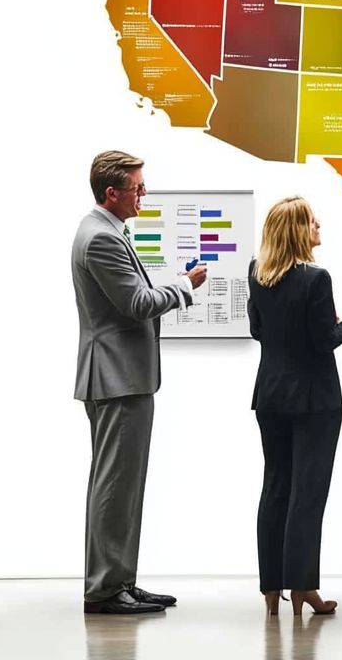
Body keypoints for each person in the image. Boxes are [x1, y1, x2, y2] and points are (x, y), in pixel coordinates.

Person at [72, 150, 207, 614]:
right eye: (137, 187)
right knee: (114, 487)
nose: (143, 194)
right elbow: (137, 303)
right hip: (118, 378)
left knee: (122, 487)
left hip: (122, 376)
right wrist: (185, 286)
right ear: (112, 192)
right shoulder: (100, 238)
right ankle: (107, 588)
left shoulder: (106, 231)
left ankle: (120, 580)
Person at [247, 196, 342, 617]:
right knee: (308, 493)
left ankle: (271, 592)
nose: (320, 226)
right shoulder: (317, 279)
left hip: (271, 394)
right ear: (299, 230)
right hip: (315, 399)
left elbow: (257, 329)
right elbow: (323, 341)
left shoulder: (256, 274)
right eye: (314, 222)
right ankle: (302, 589)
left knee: (276, 487)